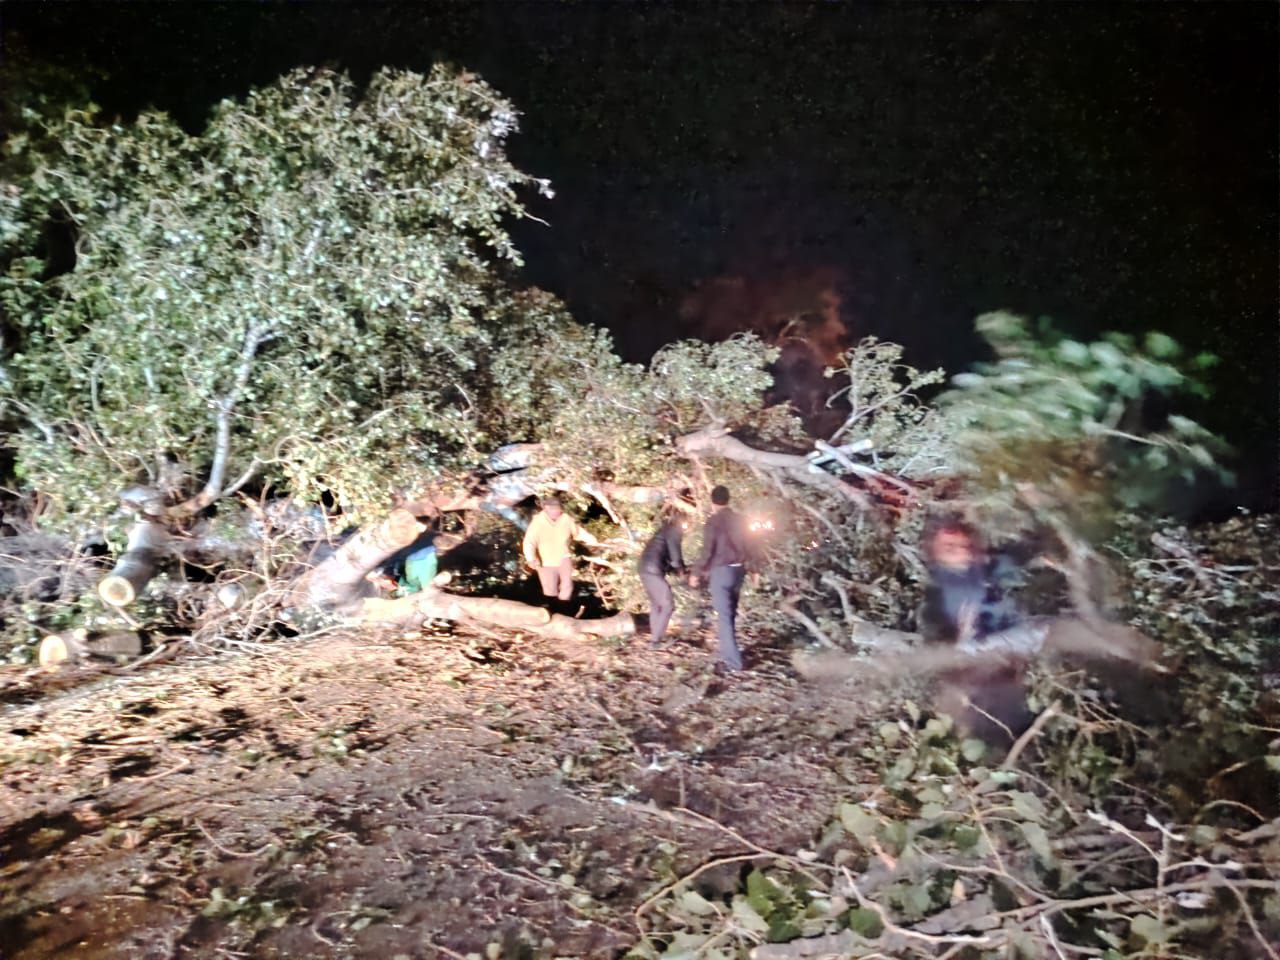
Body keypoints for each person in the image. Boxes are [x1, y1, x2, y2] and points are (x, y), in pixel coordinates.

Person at [918, 516, 1033, 744]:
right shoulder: (936, 601)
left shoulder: (997, 570)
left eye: (966, 546)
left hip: (1011, 673)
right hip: (971, 684)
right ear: (935, 554)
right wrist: (964, 637)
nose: (963, 553)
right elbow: (938, 651)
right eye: (950, 548)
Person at [690, 485, 751, 671]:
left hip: (721, 572)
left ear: (712, 501)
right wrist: (755, 569)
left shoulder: (713, 522)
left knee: (724, 617)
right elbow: (751, 545)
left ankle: (732, 662)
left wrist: (696, 572)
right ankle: (730, 652)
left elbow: (707, 551)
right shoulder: (741, 520)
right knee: (730, 613)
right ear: (728, 499)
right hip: (739, 570)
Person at [522, 496, 599, 608]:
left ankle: (565, 607)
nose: (556, 511)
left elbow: (578, 532)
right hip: (545, 560)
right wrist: (531, 558)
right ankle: (552, 609)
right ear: (546, 508)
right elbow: (529, 542)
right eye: (553, 508)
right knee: (550, 589)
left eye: (557, 508)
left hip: (564, 557)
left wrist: (592, 541)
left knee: (567, 585)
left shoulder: (566, 519)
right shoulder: (537, 522)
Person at [637, 506, 688, 647]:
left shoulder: (662, 530)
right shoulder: (674, 530)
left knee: (656, 604)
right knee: (667, 605)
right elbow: (675, 555)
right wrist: (681, 571)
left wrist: (679, 568)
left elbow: (665, 555)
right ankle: (655, 642)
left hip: (644, 567)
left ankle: (655, 637)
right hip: (653, 569)